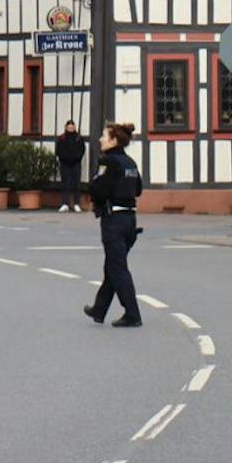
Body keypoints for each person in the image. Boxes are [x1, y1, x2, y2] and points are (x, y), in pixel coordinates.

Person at [83, 122, 144, 328]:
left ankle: (132, 313)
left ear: (114, 140)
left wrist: (92, 186)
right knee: (112, 265)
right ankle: (99, 309)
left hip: (114, 221)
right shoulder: (130, 163)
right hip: (130, 220)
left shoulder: (108, 162)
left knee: (118, 268)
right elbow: (138, 190)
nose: (100, 139)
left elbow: (99, 189)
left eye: (104, 136)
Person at [56, 120, 86, 212]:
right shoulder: (61, 138)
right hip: (64, 164)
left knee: (76, 184)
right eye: (69, 127)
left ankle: (76, 204)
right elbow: (58, 150)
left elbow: (82, 150)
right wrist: (64, 158)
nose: (71, 129)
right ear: (66, 127)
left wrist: (77, 158)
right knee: (65, 184)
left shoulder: (79, 138)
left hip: (76, 164)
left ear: (74, 128)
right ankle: (65, 204)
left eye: (72, 127)